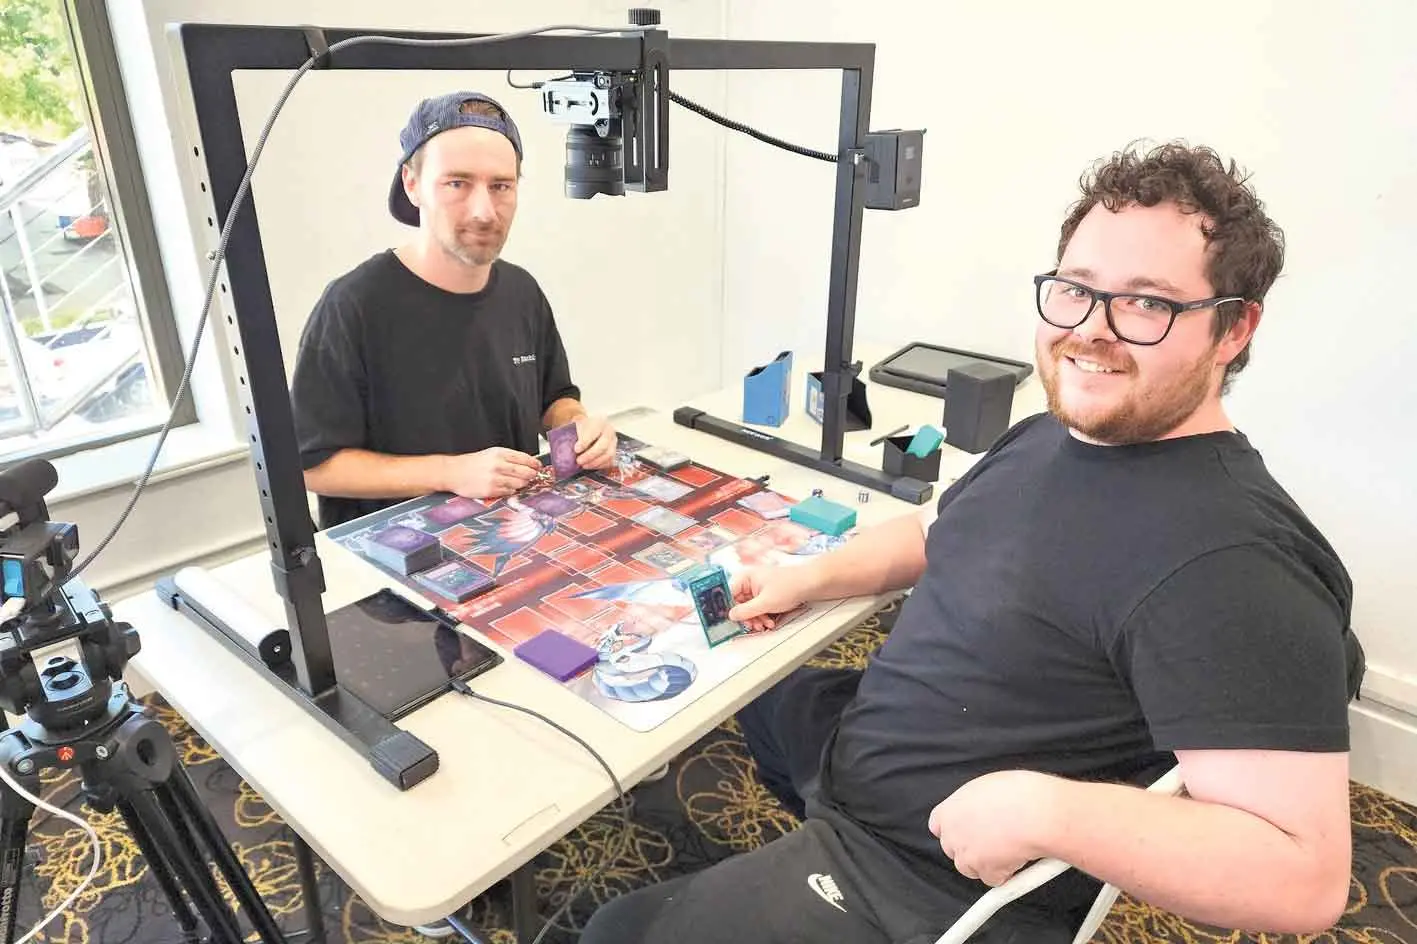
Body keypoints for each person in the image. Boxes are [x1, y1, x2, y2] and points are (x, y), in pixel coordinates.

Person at [579, 142, 1356, 944]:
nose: (1091, 330)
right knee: (764, 704)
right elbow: (935, 528)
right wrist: (806, 577)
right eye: (1074, 289)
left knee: (618, 930)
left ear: (1232, 329)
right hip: (872, 753)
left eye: (1146, 304)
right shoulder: (1048, 435)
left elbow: (1300, 879)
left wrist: (1049, 810)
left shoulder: (1232, 564)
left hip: (916, 878)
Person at [291, 92, 618, 530]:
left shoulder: (521, 291)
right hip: (401, 558)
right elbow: (313, 464)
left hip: (515, 535)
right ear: (412, 184)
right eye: (457, 183)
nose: (483, 211)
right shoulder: (354, 306)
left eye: (500, 186)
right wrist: (450, 472)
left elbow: (552, 399)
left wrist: (579, 428)